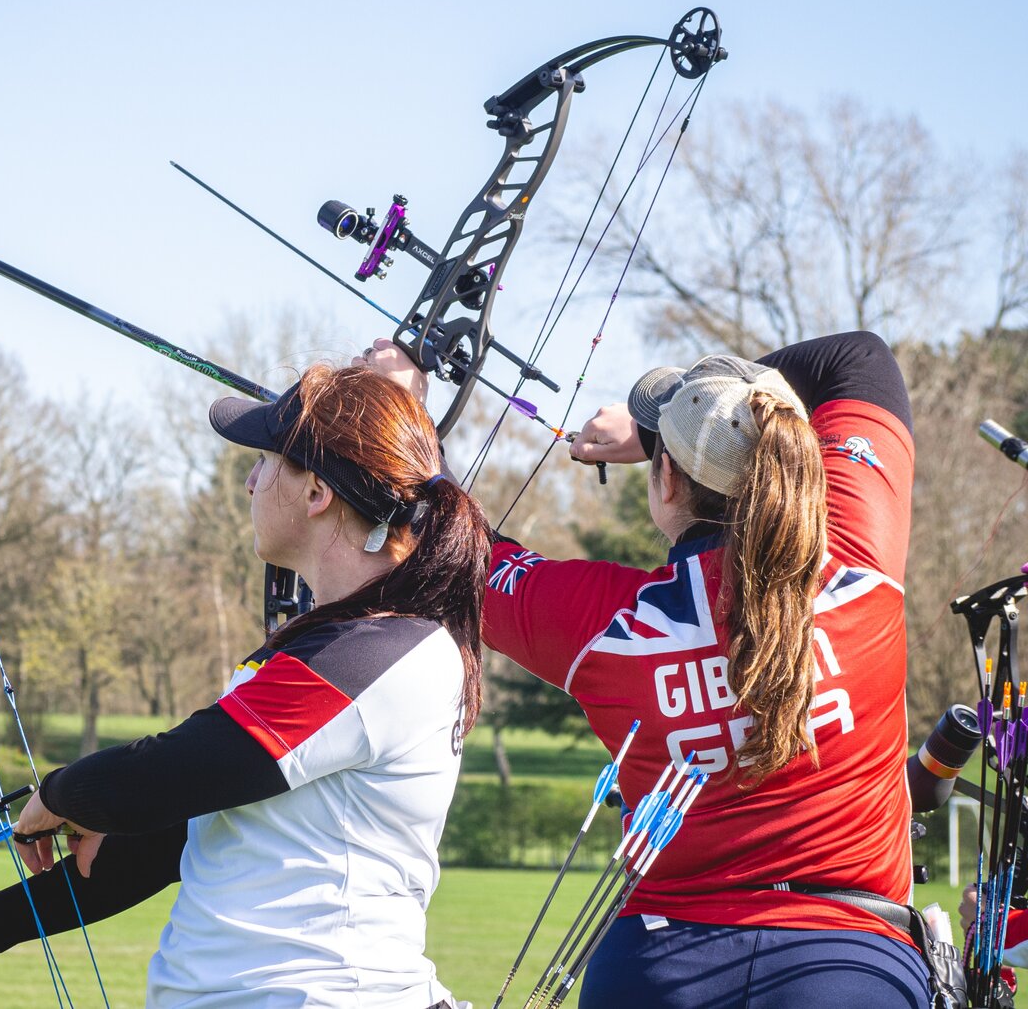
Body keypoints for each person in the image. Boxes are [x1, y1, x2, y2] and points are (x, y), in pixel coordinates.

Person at [0, 364, 493, 1008]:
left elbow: (169, 776)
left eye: (265, 462)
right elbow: (182, 825)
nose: (251, 481)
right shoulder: (347, 647)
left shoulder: (378, 653)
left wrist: (61, 794)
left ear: (316, 492)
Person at [371, 331, 925, 1007]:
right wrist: (657, 427)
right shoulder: (860, 562)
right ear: (798, 461)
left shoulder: (610, 625)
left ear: (666, 481)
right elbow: (858, 359)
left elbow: (447, 545)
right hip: (851, 966)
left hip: (659, 967)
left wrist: (395, 406)